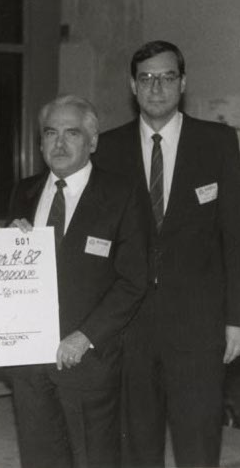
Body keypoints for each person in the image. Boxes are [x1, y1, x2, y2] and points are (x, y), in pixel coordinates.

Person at [92, 40, 240, 467]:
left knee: (198, 442)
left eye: (167, 77)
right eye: (147, 79)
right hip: (130, 326)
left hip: (199, 324)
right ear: (132, 86)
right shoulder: (109, 148)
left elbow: (234, 234)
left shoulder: (217, 142)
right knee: (136, 445)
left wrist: (236, 319)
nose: (157, 88)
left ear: (184, 83)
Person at [7, 94, 147, 468]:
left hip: (88, 360)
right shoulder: (24, 192)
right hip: (29, 363)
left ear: (92, 141)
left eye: (71, 133)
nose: (59, 143)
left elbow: (133, 281)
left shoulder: (122, 193)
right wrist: (5, 240)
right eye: (50, 133)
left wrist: (85, 336)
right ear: (39, 143)